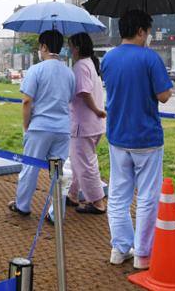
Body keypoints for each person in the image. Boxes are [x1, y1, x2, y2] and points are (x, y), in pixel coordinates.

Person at [101, 10, 173, 270]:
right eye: (148, 31)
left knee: (118, 195)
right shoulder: (150, 58)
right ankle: (143, 254)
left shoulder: (108, 59)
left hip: (118, 136)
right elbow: (164, 95)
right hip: (147, 138)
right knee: (147, 197)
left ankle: (119, 249)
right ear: (141, 31)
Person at [8, 30, 75, 215]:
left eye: (40, 47)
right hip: (62, 130)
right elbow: (69, 98)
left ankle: (23, 206)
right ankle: (56, 213)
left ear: (44, 47)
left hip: (40, 128)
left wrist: (26, 125)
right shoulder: (69, 73)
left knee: (30, 168)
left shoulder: (36, 70)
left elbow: (27, 101)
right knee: (57, 173)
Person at [65, 32, 107, 214]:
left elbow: (83, 92)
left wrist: (97, 110)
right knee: (79, 161)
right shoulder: (90, 63)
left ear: (77, 47)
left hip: (84, 124)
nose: (69, 49)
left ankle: (97, 202)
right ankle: (73, 194)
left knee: (85, 164)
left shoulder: (80, 66)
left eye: (71, 45)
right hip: (94, 125)